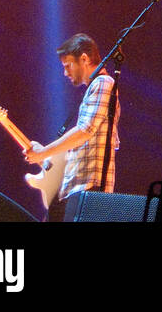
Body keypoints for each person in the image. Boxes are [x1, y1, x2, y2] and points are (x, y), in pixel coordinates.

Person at [24, 33, 121, 222]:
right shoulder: (94, 88)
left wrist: (44, 152)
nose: (65, 73)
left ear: (84, 59)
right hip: (76, 189)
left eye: (68, 66)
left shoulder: (103, 83)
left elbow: (85, 130)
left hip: (89, 190)